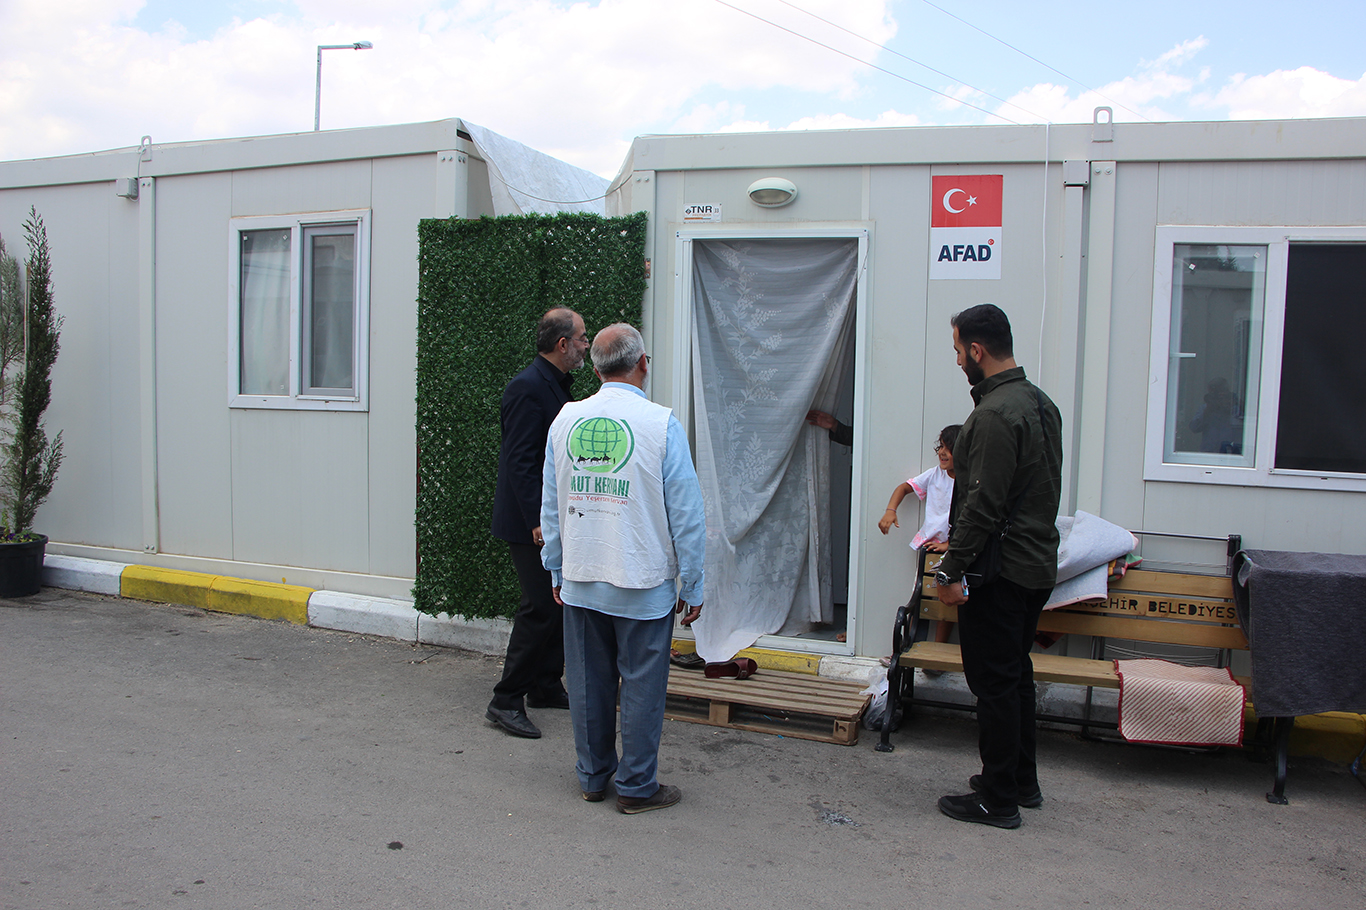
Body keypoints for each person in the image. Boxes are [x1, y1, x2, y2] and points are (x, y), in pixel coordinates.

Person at [540, 323, 705, 814]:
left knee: (587, 684)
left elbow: (552, 504)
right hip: (643, 583)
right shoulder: (661, 424)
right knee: (642, 688)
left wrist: (555, 568)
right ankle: (635, 788)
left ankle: (593, 777)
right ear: (643, 364)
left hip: (581, 577)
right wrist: (694, 583)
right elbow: (687, 514)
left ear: (595, 370)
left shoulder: (565, 420)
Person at [933, 304, 1062, 829]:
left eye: (958, 351)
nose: (957, 360)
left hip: (1000, 571)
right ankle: (1020, 782)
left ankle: (998, 798)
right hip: (1035, 564)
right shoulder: (1041, 403)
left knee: (994, 684)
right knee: (1014, 676)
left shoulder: (991, 415)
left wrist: (949, 571)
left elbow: (982, 505)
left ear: (977, 350)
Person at [485, 307, 590, 739]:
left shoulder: (556, 385)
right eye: (582, 338)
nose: (586, 345)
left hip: (551, 519)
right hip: (532, 523)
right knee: (540, 607)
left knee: (557, 603)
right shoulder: (527, 387)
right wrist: (537, 522)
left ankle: (545, 685)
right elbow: (520, 461)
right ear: (562, 344)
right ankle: (506, 700)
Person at [878, 424, 962, 648]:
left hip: (955, 549)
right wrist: (890, 510)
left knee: (947, 599)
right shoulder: (935, 475)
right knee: (922, 595)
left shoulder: (969, 481)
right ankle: (910, 647)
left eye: (949, 448)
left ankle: (939, 650)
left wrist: (951, 544)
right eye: (940, 446)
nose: (942, 452)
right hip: (931, 548)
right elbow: (904, 487)